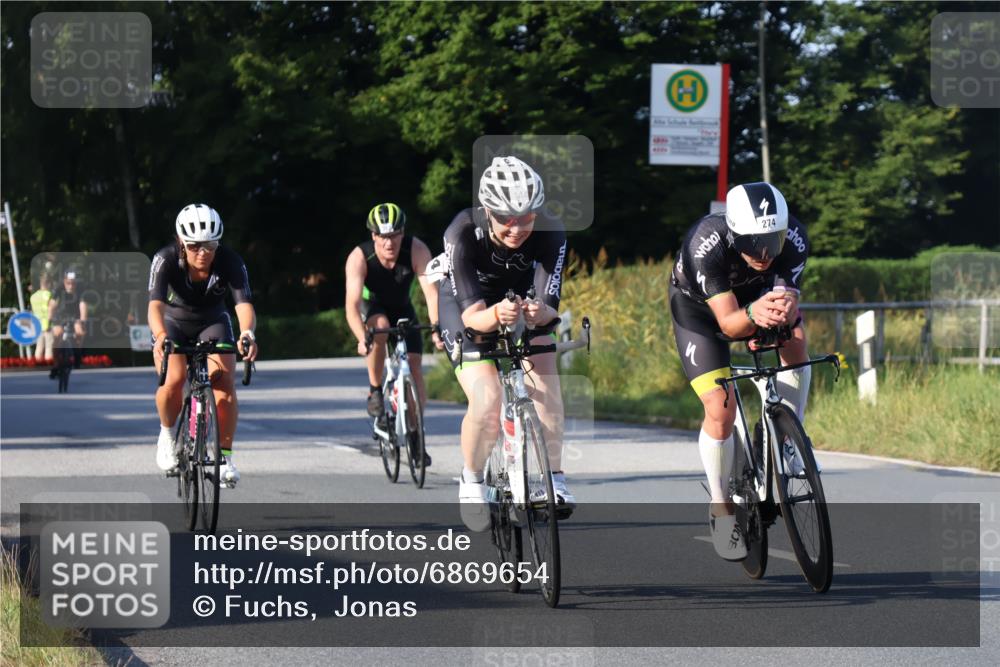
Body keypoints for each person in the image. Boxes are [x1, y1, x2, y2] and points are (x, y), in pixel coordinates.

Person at [669, 182, 811, 560]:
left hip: (756, 300)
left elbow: (788, 303)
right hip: (702, 313)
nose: (764, 253)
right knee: (720, 407)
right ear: (734, 232)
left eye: (772, 240)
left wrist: (779, 315)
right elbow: (730, 324)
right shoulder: (704, 244)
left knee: (795, 339)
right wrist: (752, 318)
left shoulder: (795, 237)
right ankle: (720, 506)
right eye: (752, 243)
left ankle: (787, 442)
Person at [438, 156, 570, 532]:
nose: (517, 228)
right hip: (467, 306)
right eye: (507, 218)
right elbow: (472, 317)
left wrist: (536, 312)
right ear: (488, 212)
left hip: (518, 299)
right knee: (488, 397)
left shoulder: (551, 231)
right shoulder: (461, 232)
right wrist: (497, 315)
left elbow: (549, 307)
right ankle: (472, 478)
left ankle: (554, 478)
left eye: (526, 217)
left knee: (546, 379)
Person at [148, 204, 259, 487]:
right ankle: (167, 435)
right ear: (182, 243)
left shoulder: (230, 261)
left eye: (209, 245)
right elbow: (155, 307)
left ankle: (224, 457)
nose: (203, 252)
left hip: (213, 320)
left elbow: (244, 305)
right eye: (195, 246)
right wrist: (160, 336)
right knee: (174, 378)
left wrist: (247, 333)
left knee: (223, 383)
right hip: (173, 322)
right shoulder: (166, 258)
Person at [344, 203, 443, 465]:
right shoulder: (359, 257)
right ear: (374, 235)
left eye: (395, 235)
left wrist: (437, 328)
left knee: (415, 364)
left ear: (403, 233)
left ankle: (415, 432)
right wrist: (360, 337)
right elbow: (352, 306)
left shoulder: (417, 249)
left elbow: (431, 293)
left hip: (403, 307)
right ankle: (375, 389)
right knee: (380, 326)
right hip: (372, 306)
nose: (390, 243)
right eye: (383, 236)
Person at [48, 270, 88, 374]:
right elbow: (52, 305)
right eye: (68, 283)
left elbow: (82, 305)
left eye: (73, 283)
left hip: (74, 316)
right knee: (57, 335)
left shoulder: (81, 289)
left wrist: (83, 320)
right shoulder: (58, 288)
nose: (71, 286)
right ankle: (56, 362)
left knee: (79, 332)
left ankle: (77, 356)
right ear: (64, 281)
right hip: (60, 315)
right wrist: (49, 319)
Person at [30, 276, 54, 362]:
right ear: (48, 284)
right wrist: (49, 322)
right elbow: (50, 310)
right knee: (48, 346)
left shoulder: (33, 296)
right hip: (47, 323)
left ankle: (36, 363)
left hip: (37, 324)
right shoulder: (49, 294)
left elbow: (33, 311)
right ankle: (48, 364)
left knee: (39, 346)